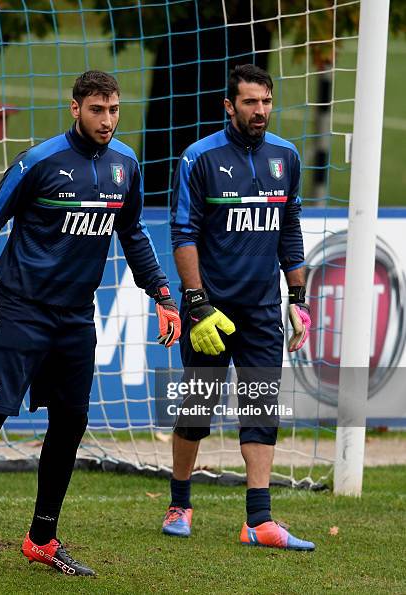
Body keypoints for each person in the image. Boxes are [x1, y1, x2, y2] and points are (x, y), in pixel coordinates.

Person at [0, 70, 181, 578]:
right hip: (21, 310)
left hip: (77, 317)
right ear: (75, 107)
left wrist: (163, 295)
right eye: (97, 110)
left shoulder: (126, 165)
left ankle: (42, 538)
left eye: (115, 110)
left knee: (70, 423)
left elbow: (135, 235)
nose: (107, 120)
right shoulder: (38, 162)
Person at [161, 64, 314, 551]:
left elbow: (289, 228)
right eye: (250, 102)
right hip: (211, 308)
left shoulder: (285, 157)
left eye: (266, 101)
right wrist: (197, 301)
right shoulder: (199, 158)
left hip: (264, 309)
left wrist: (300, 298)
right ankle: (180, 501)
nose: (260, 111)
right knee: (198, 405)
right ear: (229, 106)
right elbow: (183, 234)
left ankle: (259, 520)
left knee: (261, 405)